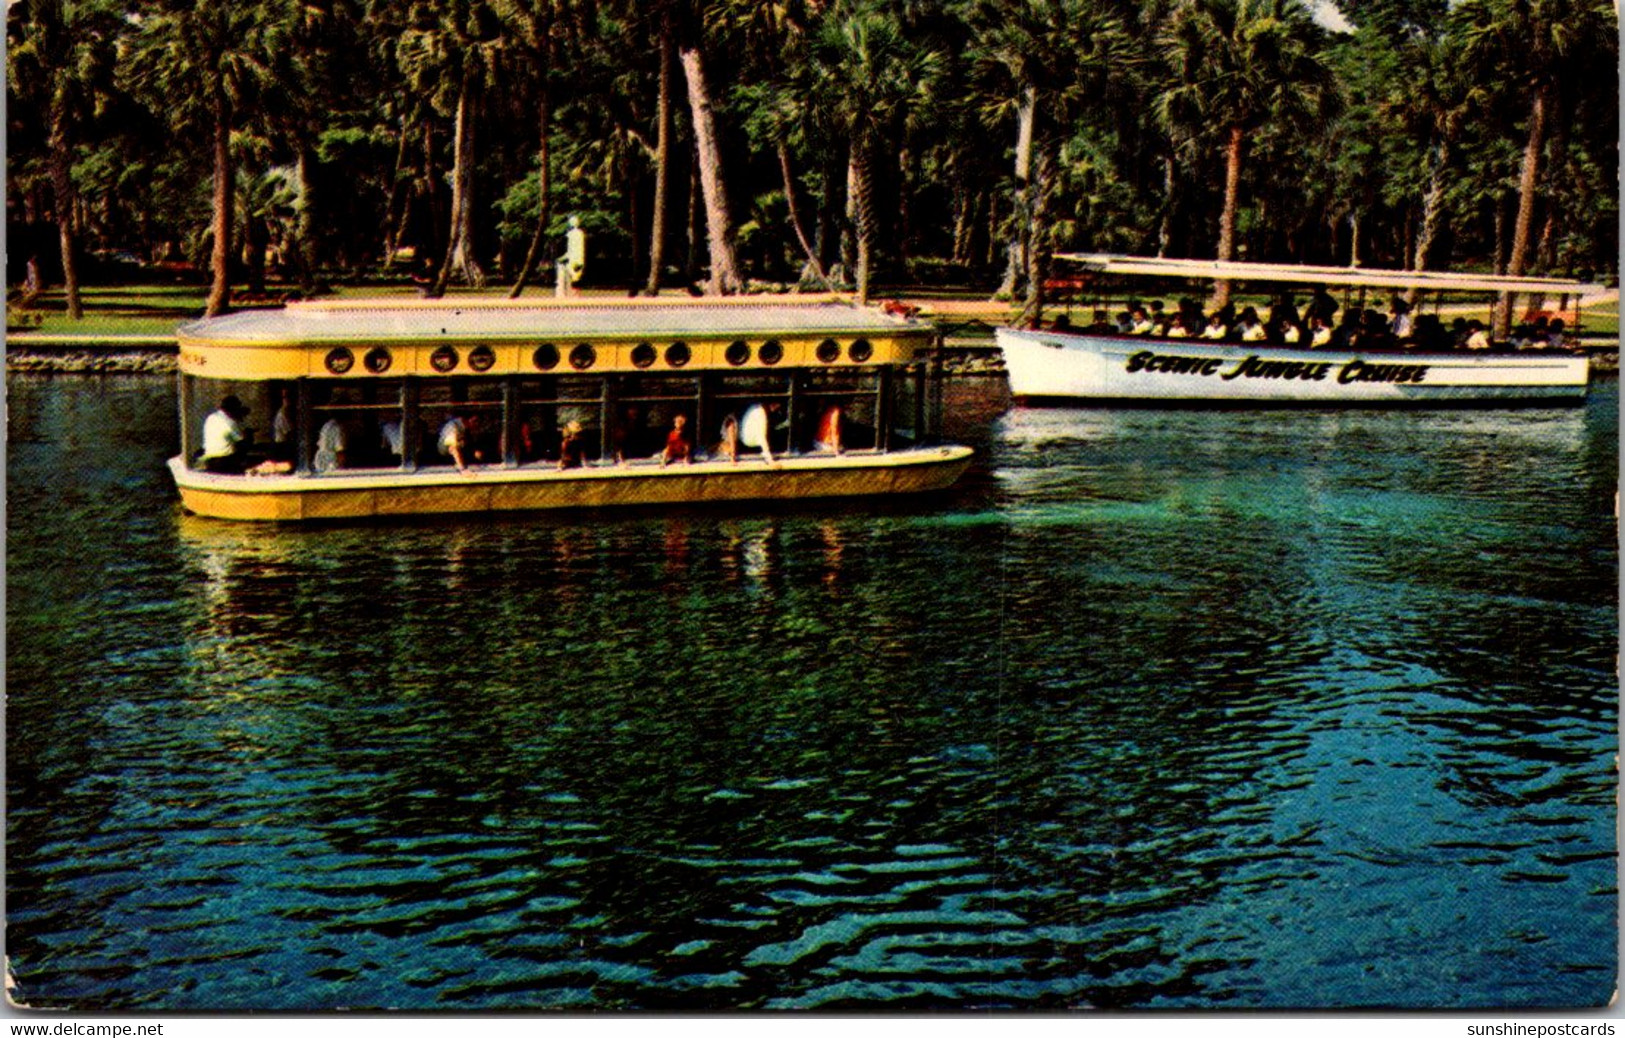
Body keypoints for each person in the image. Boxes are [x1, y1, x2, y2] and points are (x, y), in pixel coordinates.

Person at [200, 395, 251, 474]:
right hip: (223, 460)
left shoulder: (211, 417)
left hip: (209, 459)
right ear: (233, 410)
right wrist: (248, 433)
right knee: (246, 441)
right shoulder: (229, 423)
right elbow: (241, 441)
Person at [556, 214, 586, 298]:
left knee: (569, 277)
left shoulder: (571, 234)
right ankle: (575, 297)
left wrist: (562, 258)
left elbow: (570, 250)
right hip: (580, 260)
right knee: (576, 279)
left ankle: (564, 296)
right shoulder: (581, 233)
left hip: (573, 261)